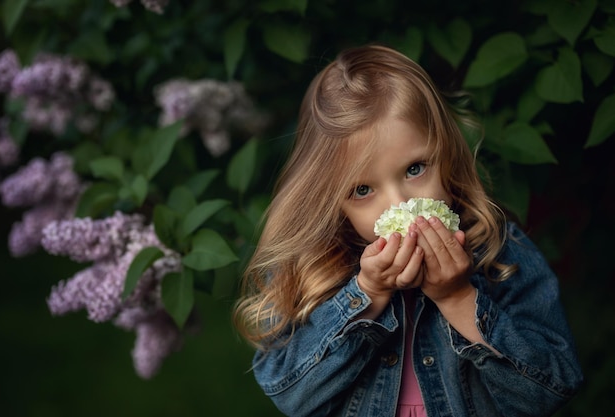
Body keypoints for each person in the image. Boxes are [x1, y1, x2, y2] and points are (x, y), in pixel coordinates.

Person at [234, 44, 583, 417]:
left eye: (415, 169)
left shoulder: (500, 251)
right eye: (362, 190)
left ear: (446, 153)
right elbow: (292, 396)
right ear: (331, 199)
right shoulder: (315, 269)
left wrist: (458, 298)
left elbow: (551, 387)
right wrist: (366, 294)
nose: (398, 204)